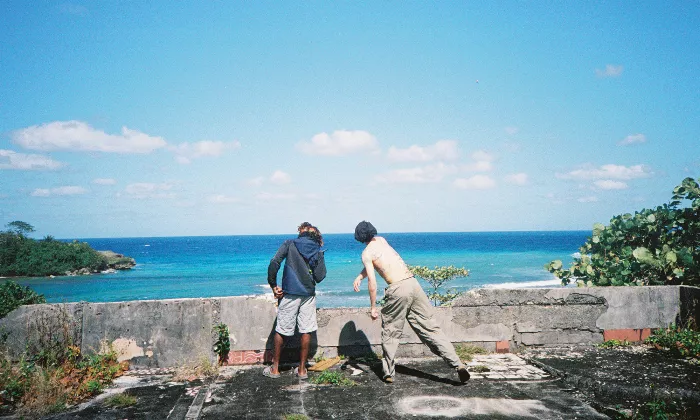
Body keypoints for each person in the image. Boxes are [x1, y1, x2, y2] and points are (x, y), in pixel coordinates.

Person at [351, 221, 470, 384]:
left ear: (358, 237)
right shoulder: (381, 240)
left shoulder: (366, 253)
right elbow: (379, 261)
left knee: (391, 331)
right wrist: (360, 275)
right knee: (431, 328)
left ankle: (388, 373)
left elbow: (373, 282)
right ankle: (458, 365)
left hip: (398, 288)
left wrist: (372, 307)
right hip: (413, 283)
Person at [264, 222, 326, 379]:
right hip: (308, 294)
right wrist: (319, 254)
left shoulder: (289, 244)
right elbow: (320, 276)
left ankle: (275, 369)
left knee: (282, 329)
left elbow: (274, 262)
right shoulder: (316, 249)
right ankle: (302, 370)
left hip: (290, 293)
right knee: (306, 330)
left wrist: (273, 285)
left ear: (300, 232)